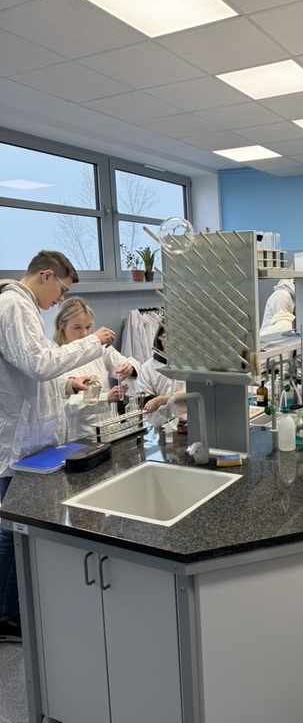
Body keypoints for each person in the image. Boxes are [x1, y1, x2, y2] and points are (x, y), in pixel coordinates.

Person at [0, 251, 115, 642]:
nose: (60, 299)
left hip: (33, 442)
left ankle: (18, 604)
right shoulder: (14, 305)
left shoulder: (26, 307)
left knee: (23, 527)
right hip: (17, 445)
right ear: (46, 275)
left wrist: (69, 384)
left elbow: (32, 370)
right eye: (61, 290)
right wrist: (94, 343)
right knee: (11, 530)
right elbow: (39, 365)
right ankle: (5, 615)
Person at [53, 297, 141, 441]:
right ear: (61, 324)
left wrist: (130, 368)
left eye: (88, 327)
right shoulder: (56, 359)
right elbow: (67, 404)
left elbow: (130, 364)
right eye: (77, 327)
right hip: (81, 435)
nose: (85, 333)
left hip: (109, 428)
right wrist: (105, 398)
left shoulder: (100, 349)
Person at [138, 324, 185, 426]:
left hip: (187, 421)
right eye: (164, 337)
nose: (169, 342)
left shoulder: (190, 364)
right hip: (159, 424)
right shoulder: (148, 367)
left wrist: (161, 400)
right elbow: (146, 399)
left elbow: (191, 391)